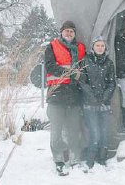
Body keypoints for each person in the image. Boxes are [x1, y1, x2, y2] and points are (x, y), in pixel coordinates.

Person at [45, 20, 86, 176]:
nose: (69, 33)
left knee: (74, 129)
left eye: (71, 31)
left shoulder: (81, 48)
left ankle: (75, 158)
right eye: (66, 31)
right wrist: (68, 73)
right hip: (56, 95)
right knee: (56, 131)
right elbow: (49, 66)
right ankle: (59, 160)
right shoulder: (52, 46)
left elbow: (84, 67)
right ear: (61, 32)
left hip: (74, 95)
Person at [79, 36, 116, 170]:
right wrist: (93, 96)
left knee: (104, 131)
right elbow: (82, 82)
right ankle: (90, 158)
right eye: (97, 45)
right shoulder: (85, 61)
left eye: (102, 46)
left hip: (104, 104)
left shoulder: (109, 63)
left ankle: (102, 158)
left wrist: (104, 97)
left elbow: (112, 83)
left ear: (105, 48)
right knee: (94, 131)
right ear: (93, 48)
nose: (100, 48)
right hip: (90, 104)